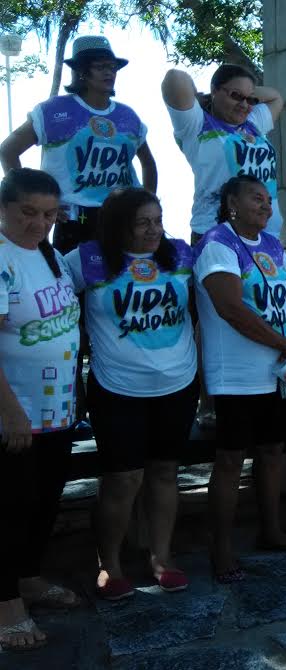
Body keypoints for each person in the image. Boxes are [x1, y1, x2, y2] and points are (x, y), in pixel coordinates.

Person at [63, 189, 197, 600]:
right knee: (122, 478)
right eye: (143, 222)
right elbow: (57, 313)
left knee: (164, 473)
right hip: (117, 387)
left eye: (157, 220)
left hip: (178, 384)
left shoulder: (179, 255)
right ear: (119, 224)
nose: (154, 229)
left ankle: (161, 557)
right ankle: (110, 563)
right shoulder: (86, 258)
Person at [194, 175, 286, 582]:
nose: (265, 205)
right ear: (231, 203)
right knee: (230, 460)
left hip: (275, 372)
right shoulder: (218, 245)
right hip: (235, 376)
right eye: (255, 199)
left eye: (267, 200)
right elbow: (230, 308)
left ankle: (271, 529)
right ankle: (221, 548)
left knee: (273, 450)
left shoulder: (275, 246)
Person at [0, 169, 82, 651]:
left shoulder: (48, 254)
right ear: (5, 207)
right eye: (28, 212)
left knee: (44, 501)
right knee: (9, 507)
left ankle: (28, 577)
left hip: (58, 411)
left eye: (49, 215)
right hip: (16, 412)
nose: (39, 223)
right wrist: (9, 411)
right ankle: (5, 601)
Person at [0, 36, 156, 254]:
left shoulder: (128, 116)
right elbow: (7, 151)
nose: (109, 72)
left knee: (120, 284)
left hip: (123, 216)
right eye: (101, 66)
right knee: (72, 285)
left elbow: (148, 163)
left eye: (113, 67)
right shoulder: (53, 111)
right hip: (73, 220)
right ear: (82, 71)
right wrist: (32, 202)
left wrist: (149, 207)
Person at [161, 64, 284, 240]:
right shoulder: (196, 124)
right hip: (217, 233)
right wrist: (198, 96)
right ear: (214, 90)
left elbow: (276, 97)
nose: (244, 105)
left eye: (250, 100)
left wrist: (245, 90)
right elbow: (174, 78)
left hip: (266, 234)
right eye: (235, 96)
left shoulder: (253, 123)